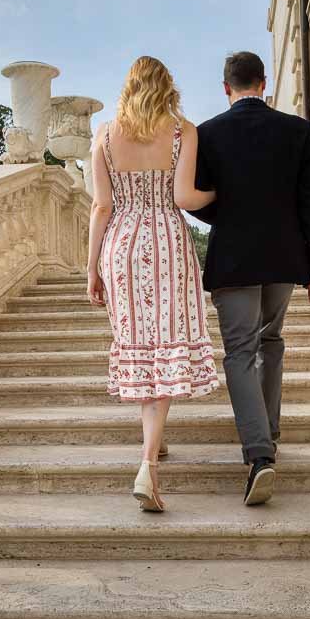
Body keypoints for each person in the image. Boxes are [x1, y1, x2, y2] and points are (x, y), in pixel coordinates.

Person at [182, 51, 310, 506]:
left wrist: (225, 215)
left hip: (234, 260)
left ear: (226, 87)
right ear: (263, 83)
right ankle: (270, 432)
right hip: (285, 257)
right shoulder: (297, 130)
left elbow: (195, 197)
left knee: (240, 352)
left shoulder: (208, 133)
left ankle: (260, 454)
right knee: (271, 342)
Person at [87, 55, 219, 512]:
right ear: (167, 86)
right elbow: (185, 198)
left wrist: (92, 268)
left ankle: (153, 444)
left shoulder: (103, 135)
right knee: (166, 345)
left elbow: (101, 206)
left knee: (141, 346)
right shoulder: (184, 131)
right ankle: (149, 463)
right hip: (165, 240)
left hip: (121, 244)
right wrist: (219, 195)